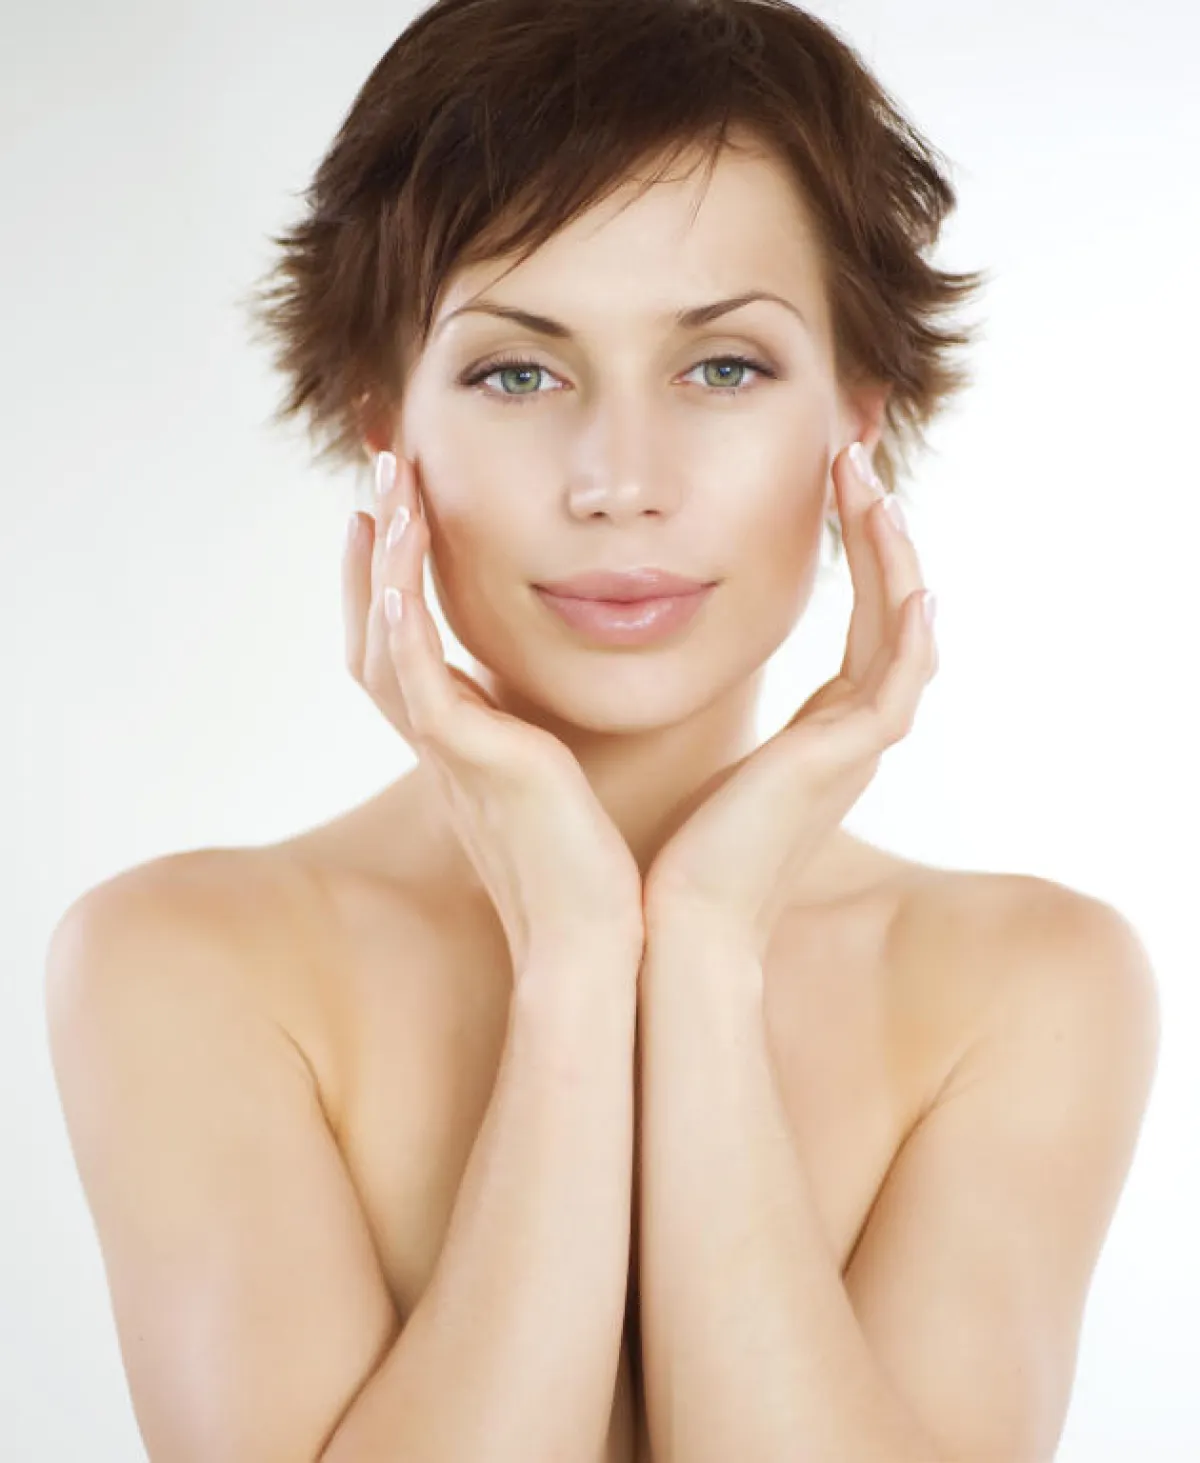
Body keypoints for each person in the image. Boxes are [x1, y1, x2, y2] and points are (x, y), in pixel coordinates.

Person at [44, 2, 1161, 1460]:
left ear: (856, 422)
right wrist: (577, 963)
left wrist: (701, 947)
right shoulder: (184, 963)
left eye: (723, 367)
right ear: (387, 424)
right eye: (518, 371)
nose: (620, 481)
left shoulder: (1028, 989)